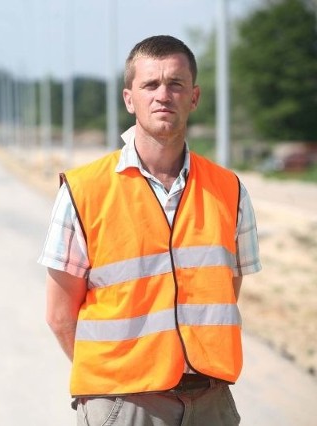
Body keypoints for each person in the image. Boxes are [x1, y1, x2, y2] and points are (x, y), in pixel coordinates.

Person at [39, 35, 262, 426]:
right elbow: (60, 315)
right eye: (150, 85)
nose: (164, 95)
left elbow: (225, 293)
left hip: (211, 403)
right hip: (124, 405)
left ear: (193, 97)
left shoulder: (229, 190)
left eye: (176, 84)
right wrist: (113, 382)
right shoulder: (84, 190)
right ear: (130, 99)